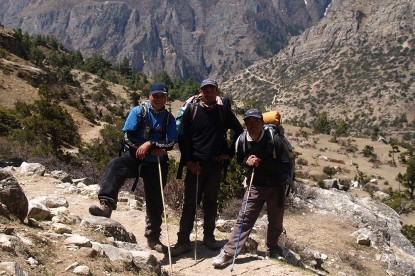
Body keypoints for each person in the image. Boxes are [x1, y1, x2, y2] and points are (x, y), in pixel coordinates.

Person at [89, 82, 178, 254]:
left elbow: (171, 142)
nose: (158, 99)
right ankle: (106, 204)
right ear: (149, 96)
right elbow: (127, 137)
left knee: (155, 200)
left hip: (155, 163)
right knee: (116, 165)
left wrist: (150, 143)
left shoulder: (169, 118)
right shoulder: (138, 112)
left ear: (167, 98)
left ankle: (153, 238)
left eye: (162, 96)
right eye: (155, 95)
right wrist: (148, 148)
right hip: (134, 157)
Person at [171, 78, 244, 257]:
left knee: (211, 202)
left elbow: (239, 131)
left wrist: (229, 153)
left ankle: (209, 237)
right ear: (201, 92)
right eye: (206, 90)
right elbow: (182, 137)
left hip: (214, 166)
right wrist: (189, 162)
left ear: (217, 92)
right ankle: (183, 241)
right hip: (195, 166)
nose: (209, 93)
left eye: (212, 90)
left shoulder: (223, 111)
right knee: (190, 204)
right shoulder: (192, 110)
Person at [212, 108, 292, 268]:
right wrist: (247, 163)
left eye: (256, 121)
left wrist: (261, 163)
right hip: (255, 185)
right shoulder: (242, 141)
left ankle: (272, 248)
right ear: (246, 124)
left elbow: (285, 164)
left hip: (276, 186)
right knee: (244, 219)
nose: (253, 125)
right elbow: (240, 161)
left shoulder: (274, 139)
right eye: (249, 122)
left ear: (262, 123)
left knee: (275, 221)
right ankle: (229, 252)